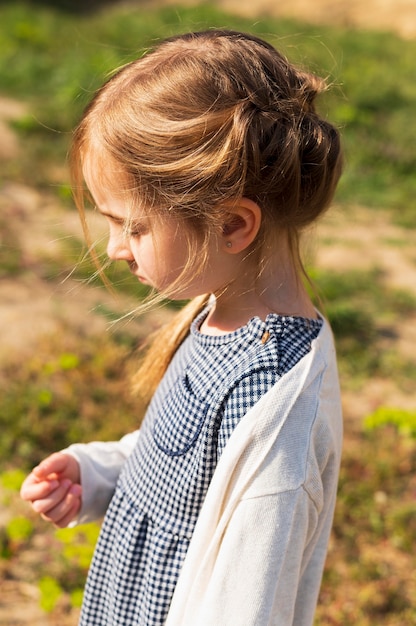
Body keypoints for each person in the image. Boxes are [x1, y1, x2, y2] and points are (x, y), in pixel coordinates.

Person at [20, 29, 343, 626]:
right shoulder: (217, 315)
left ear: (231, 226)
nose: (116, 249)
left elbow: (249, 605)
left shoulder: (278, 415)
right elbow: (180, 464)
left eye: (133, 227)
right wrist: (98, 473)